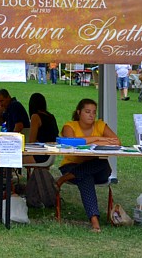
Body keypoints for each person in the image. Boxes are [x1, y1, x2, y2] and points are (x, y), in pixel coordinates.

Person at [58, 98, 121, 232]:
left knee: (101, 162)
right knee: (86, 177)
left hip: (99, 168)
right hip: (72, 164)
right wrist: (98, 139)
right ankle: (95, 222)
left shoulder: (100, 125)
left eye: (94, 112)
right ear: (79, 112)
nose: (91, 115)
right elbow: (71, 142)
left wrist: (88, 142)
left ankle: (64, 179)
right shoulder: (70, 126)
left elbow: (116, 142)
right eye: (87, 112)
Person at [25, 92, 59, 163]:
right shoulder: (51, 117)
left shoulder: (35, 117)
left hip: (39, 154)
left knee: (12, 160)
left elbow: (31, 142)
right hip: (51, 153)